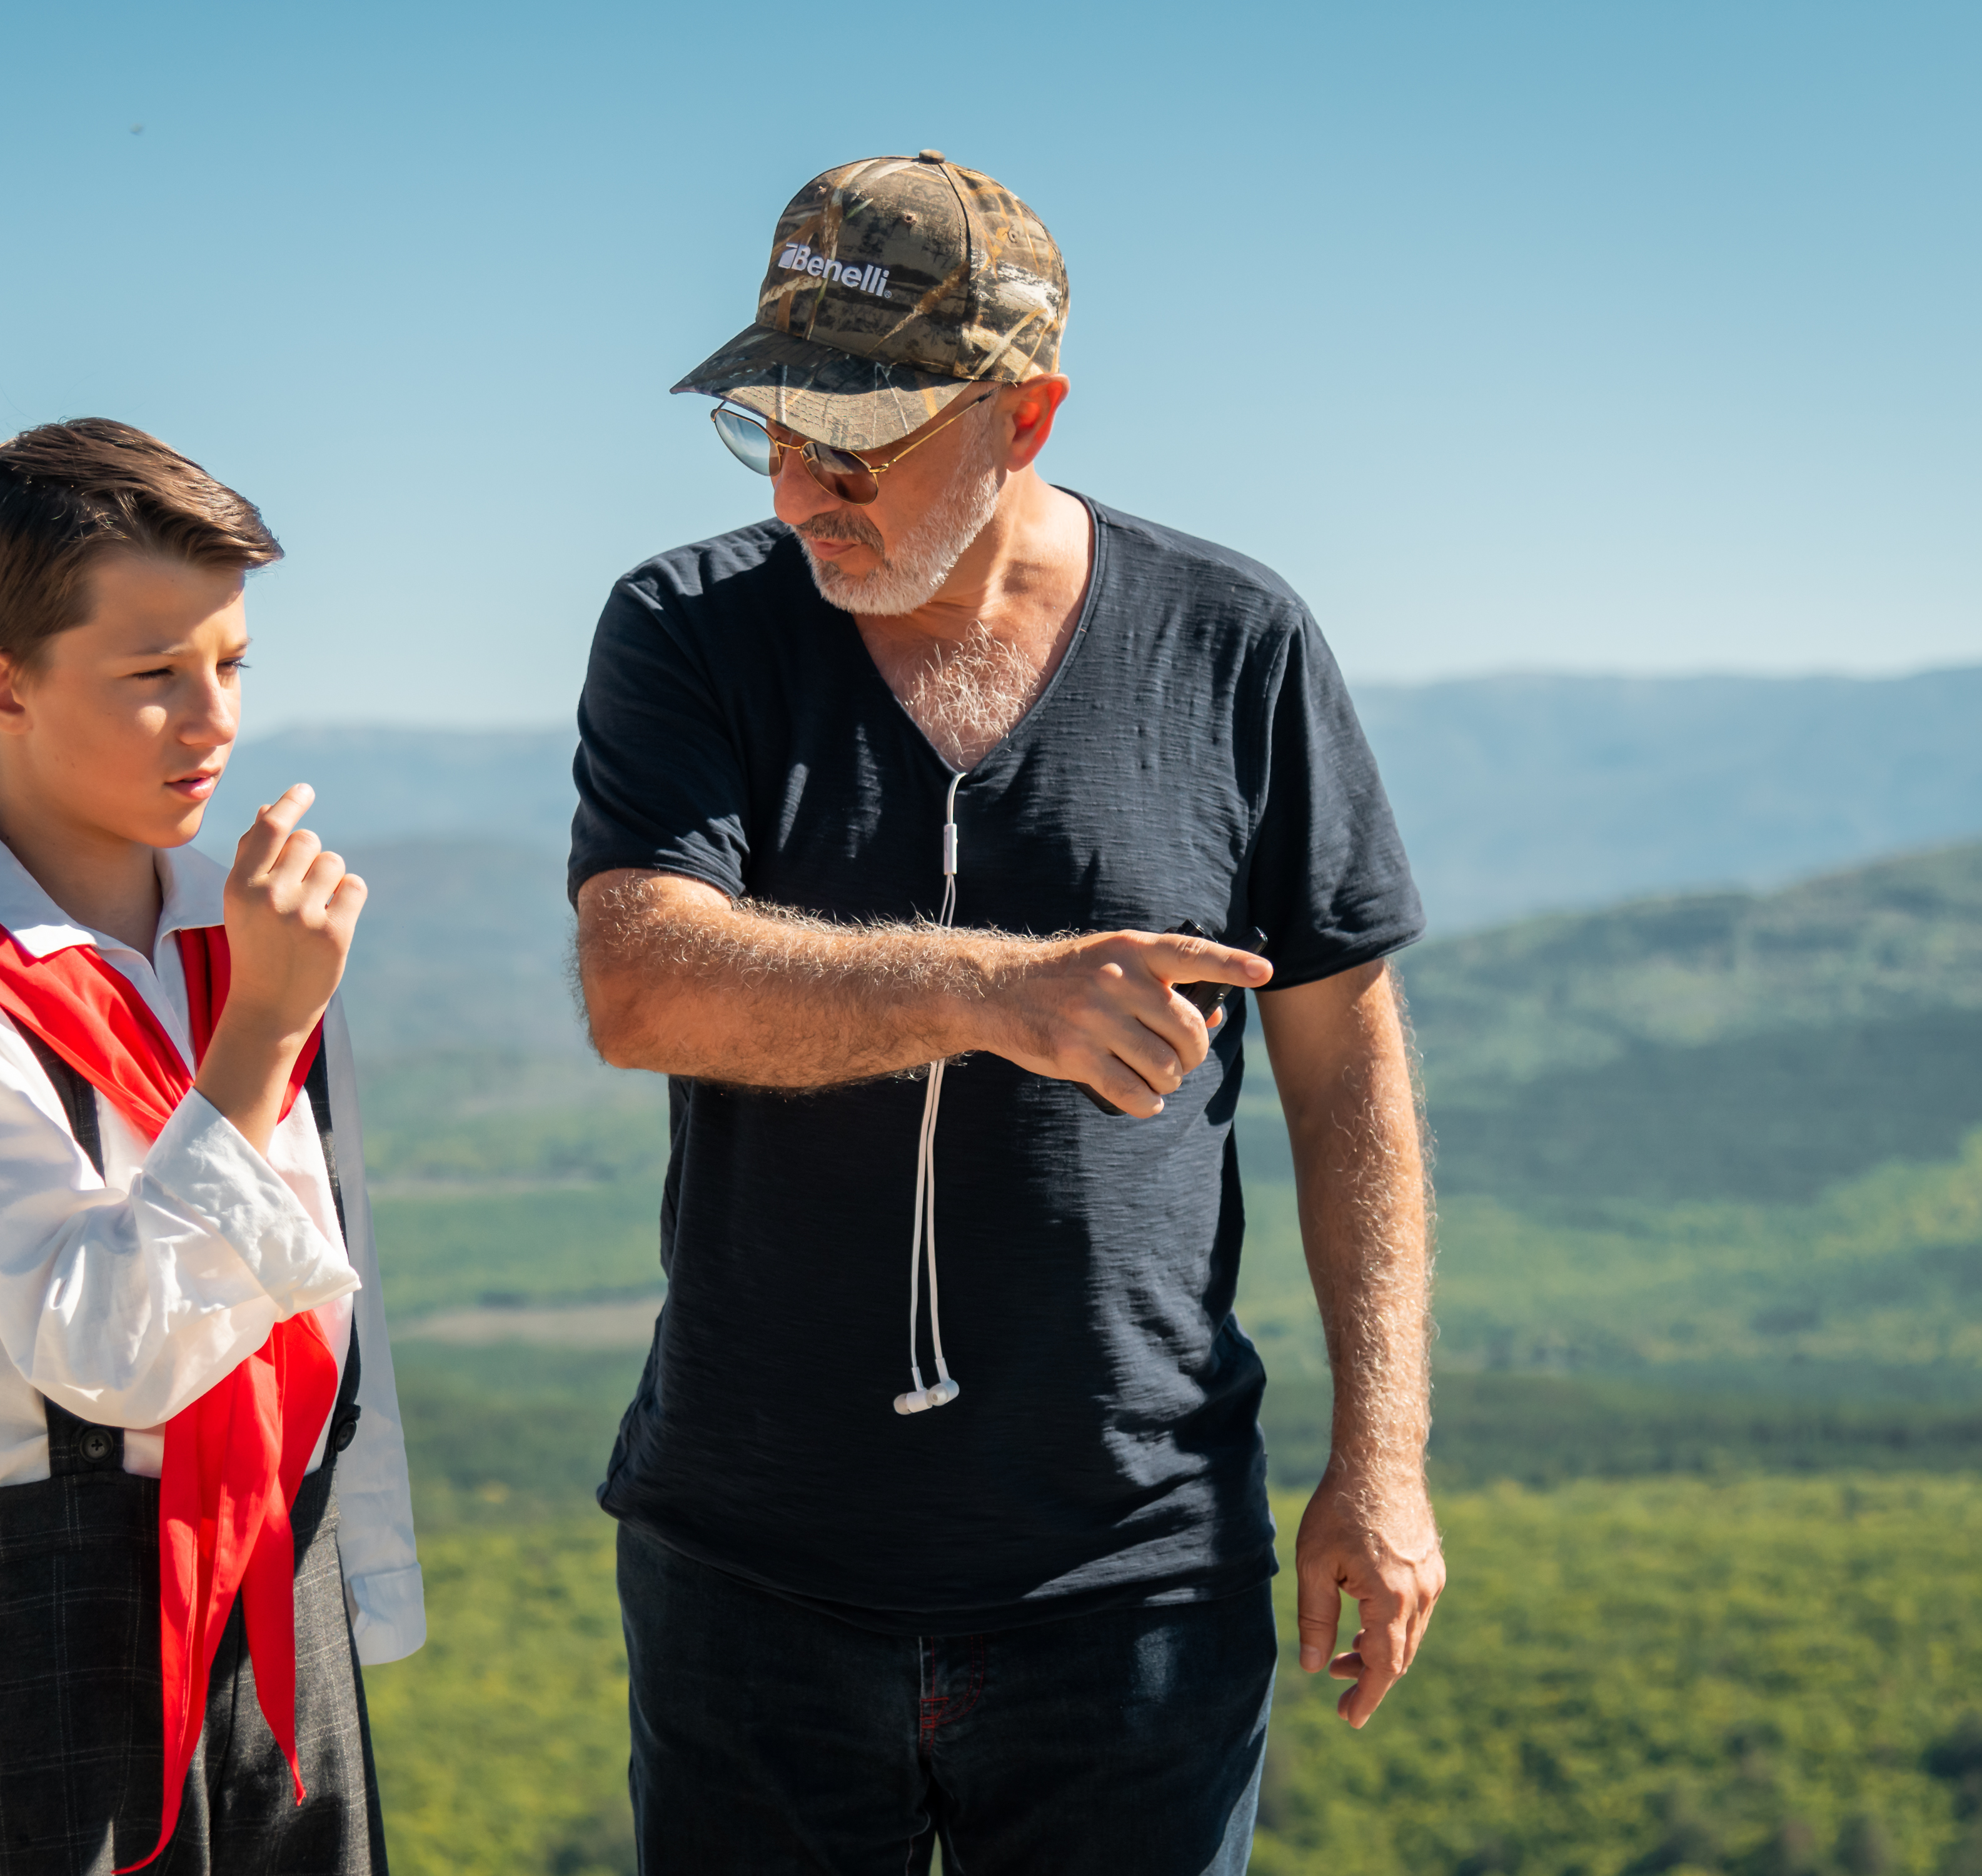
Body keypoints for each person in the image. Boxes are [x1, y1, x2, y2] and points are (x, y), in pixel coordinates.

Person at [569, 154, 1442, 1874]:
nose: (808, 486)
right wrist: (995, 991)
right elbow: (639, 980)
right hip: (749, 1570)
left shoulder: (1234, 641)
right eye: (774, 426)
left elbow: (1347, 1078)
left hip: (1134, 1578)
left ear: (1021, 416)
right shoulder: (684, 629)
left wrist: (1381, 1458)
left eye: (863, 435)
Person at [0, 418, 420, 1876]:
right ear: (0, 687)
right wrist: (262, 1040)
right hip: (42, 1602)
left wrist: (361, 1572)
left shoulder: (255, 934)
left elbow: (332, 1292)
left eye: (231, 667)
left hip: (281, 1572)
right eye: (154, 676)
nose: (212, 720)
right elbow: (103, 1345)